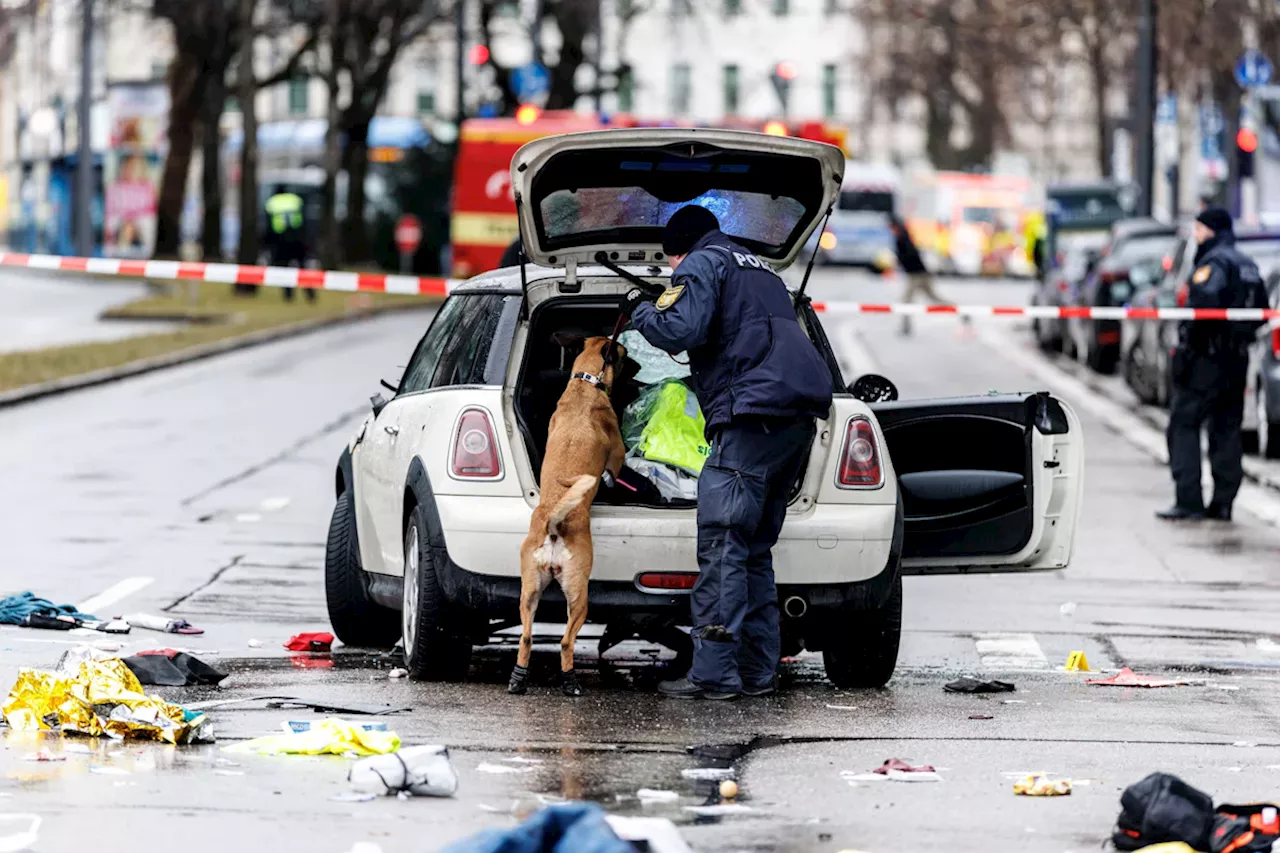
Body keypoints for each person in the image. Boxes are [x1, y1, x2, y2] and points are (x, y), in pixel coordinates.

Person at [619, 205, 834, 700]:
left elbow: (680, 330)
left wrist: (641, 307)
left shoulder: (699, 263)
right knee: (754, 551)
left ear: (679, 249)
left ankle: (714, 676)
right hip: (793, 424)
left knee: (721, 547)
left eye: (671, 263)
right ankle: (758, 674)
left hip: (749, 419)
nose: (674, 271)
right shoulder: (761, 269)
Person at [1158, 208, 1266, 522]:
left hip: (1206, 359)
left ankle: (1188, 501)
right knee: (1226, 430)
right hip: (1236, 360)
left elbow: (1204, 304)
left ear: (1213, 230)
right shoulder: (1247, 264)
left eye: (1200, 228)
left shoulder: (1214, 262)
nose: (1196, 234)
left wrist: (1191, 345)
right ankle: (1223, 503)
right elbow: (1259, 311)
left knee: (1184, 423)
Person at [890, 216, 947, 335]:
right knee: (933, 297)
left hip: (916, 274)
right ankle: (959, 310)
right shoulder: (904, 236)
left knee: (907, 300)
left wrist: (898, 261)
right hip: (919, 273)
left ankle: (906, 326)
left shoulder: (902, 238)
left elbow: (909, 255)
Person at [264, 185, 314, 302]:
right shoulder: (295, 200)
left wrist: (268, 243)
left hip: (281, 240)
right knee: (303, 267)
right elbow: (305, 220)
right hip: (297, 238)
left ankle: (288, 295)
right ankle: (310, 294)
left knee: (284, 269)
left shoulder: (272, 203)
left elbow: (268, 225)